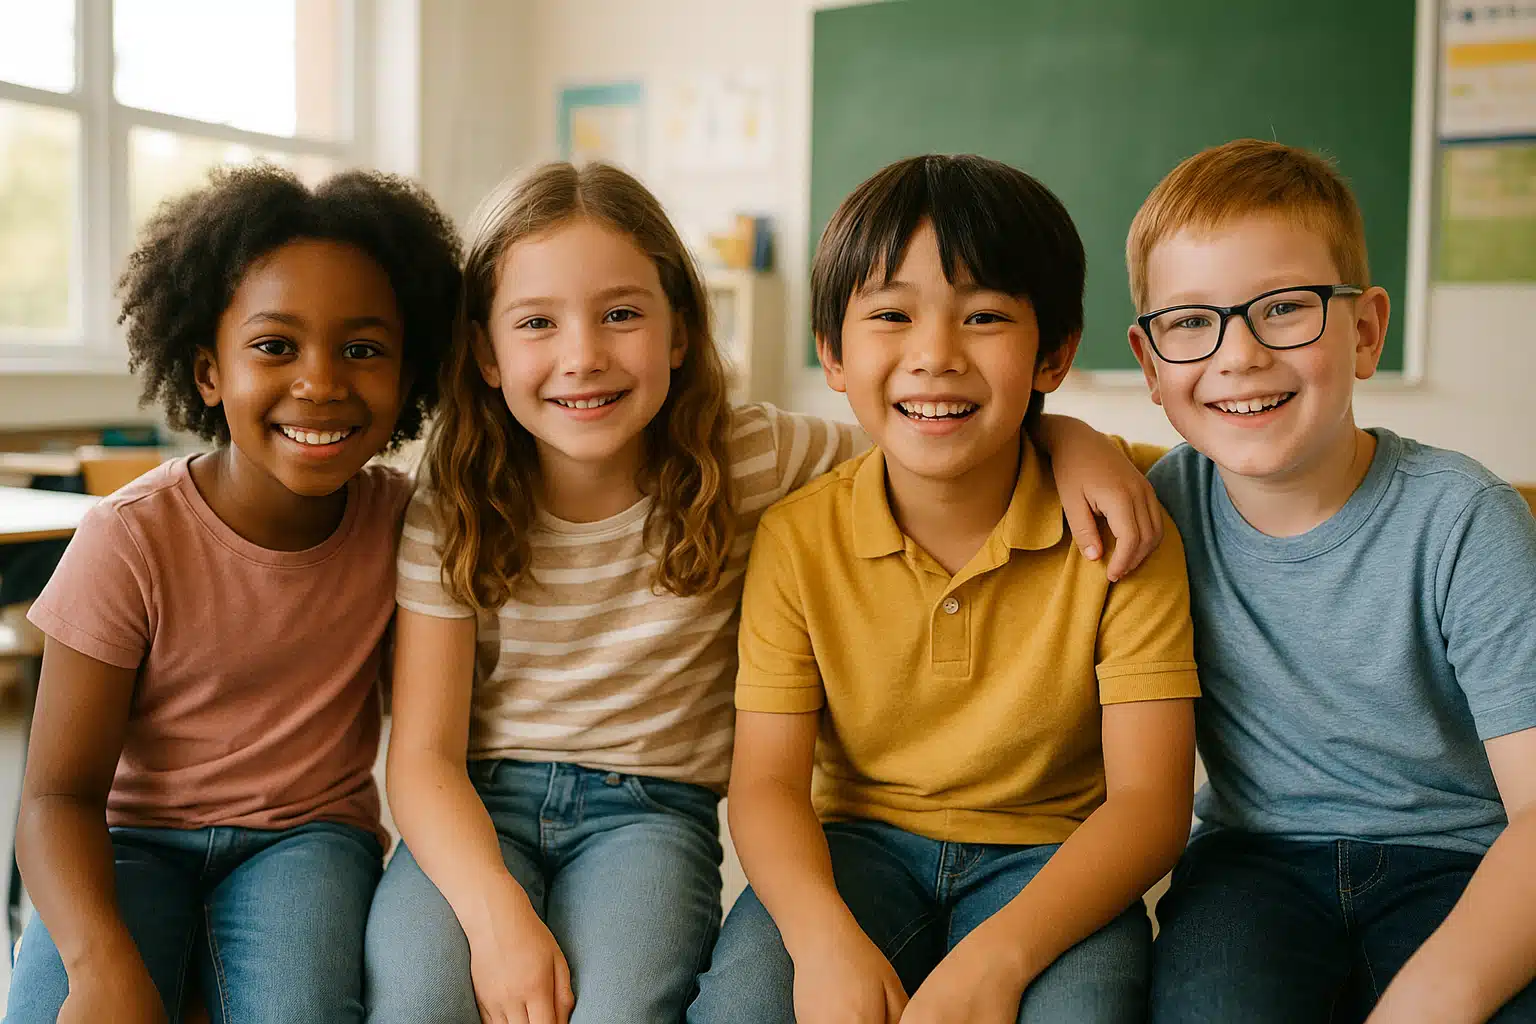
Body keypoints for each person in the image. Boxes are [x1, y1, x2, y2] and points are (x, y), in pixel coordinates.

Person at [363, 160, 1167, 1024]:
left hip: (651, 812)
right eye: (536, 323)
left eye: (623, 314)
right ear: (483, 349)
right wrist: (496, 918)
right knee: (415, 999)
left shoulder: (749, 460)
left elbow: (925, 434)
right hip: (479, 800)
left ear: (679, 332)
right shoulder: (450, 502)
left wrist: (1076, 438)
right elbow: (422, 756)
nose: (583, 356)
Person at [686, 153, 1201, 1024]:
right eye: (891, 315)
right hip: (856, 853)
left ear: (1055, 352)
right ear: (832, 352)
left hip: (1055, 862)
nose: (934, 356)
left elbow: (1152, 801)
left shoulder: (1122, 522)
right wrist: (820, 940)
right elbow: (767, 786)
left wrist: (1000, 958)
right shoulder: (798, 537)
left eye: (986, 316)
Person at [6, 165, 462, 1024]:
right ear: (208, 371)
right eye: (275, 346)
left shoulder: (408, 526)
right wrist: (100, 963)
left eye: (363, 349)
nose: (321, 382)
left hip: (308, 841)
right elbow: (54, 797)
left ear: (410, 372)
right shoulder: (130, 537)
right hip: (130, 840)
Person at [1126, 139, 1536, 1024]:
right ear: (1152, 365)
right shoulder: (1153, 510)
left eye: (1283, 308)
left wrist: (1438, 995)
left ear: (1365, 331)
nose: (1237, 355)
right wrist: (1068, 441)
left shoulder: (1466, 518)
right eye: (1191, 322)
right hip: (1253, 866)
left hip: (1464, 861)